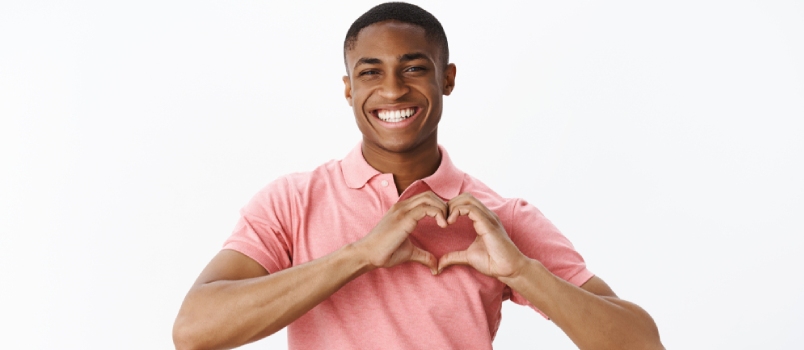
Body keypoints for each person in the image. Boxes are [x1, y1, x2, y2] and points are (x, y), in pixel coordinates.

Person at [173, 2, 664, 349]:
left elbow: (641, 343)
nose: (392, 90)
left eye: (413, 69)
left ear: (446, 79)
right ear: (348, 88)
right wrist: (360, 255)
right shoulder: (291, 202)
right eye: (370, 72)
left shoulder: (500, 219)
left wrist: (520, 271)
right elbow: (194, 330)